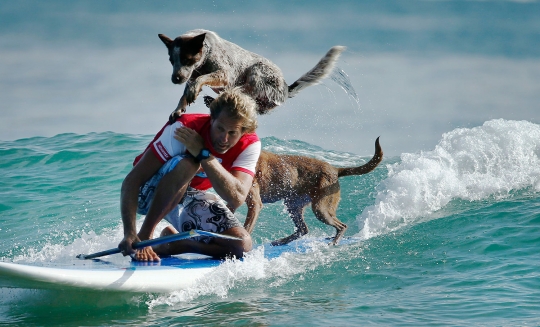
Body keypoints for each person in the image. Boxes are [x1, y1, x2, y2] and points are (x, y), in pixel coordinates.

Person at [118, 87, 260, 261]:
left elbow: (236, 197)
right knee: (190, 163)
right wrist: (130, 233)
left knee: (240, 245)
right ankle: (145, 236)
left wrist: (204, 154)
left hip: (187, 194)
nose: (224, 139)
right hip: (146, 193)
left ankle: (176, 244)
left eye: (232, 133)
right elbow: (132, 180)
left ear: (244, 131)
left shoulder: (250, 145)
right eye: (220, 129)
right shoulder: (184, 128)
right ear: (212, 119)